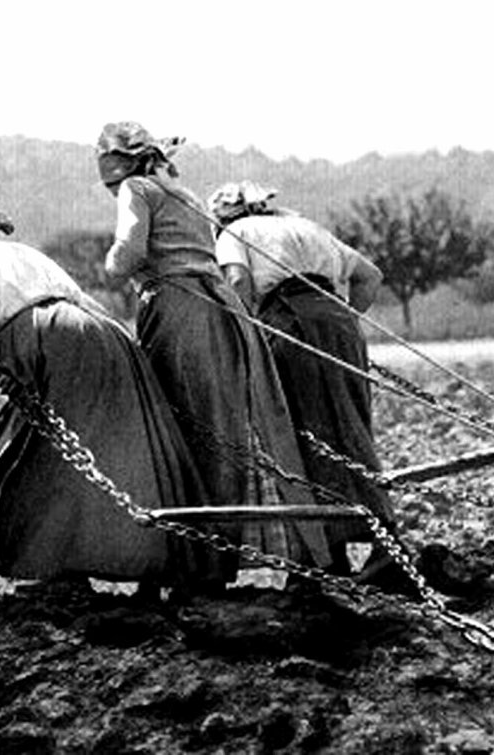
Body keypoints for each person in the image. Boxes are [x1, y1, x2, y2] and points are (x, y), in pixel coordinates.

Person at [0, 185, 209, 589]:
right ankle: (154, 562)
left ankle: (51, 564)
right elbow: (85, 303)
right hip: (103, 333)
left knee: (38, 448)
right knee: (125, 447)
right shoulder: (26, 253)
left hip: (42, 335)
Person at [95, 122, 332, 581]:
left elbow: (126, 254)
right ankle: (259, 553)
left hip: (180, 309)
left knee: (189, 428)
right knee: (234, 423)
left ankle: (200, 564)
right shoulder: (185, 196)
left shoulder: (136, 189)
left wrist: (110, 268)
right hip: (223, 309)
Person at [209, 181, 409, 586]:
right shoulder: (307, 228)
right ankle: (384, 546)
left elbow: (237, 283)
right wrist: (336, 319)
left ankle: (325, 558)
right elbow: (369, 276)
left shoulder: (235, 234)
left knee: (300, 436)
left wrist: (245, 335)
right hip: (341, 325)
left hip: (287, 323)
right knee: (351, 428)